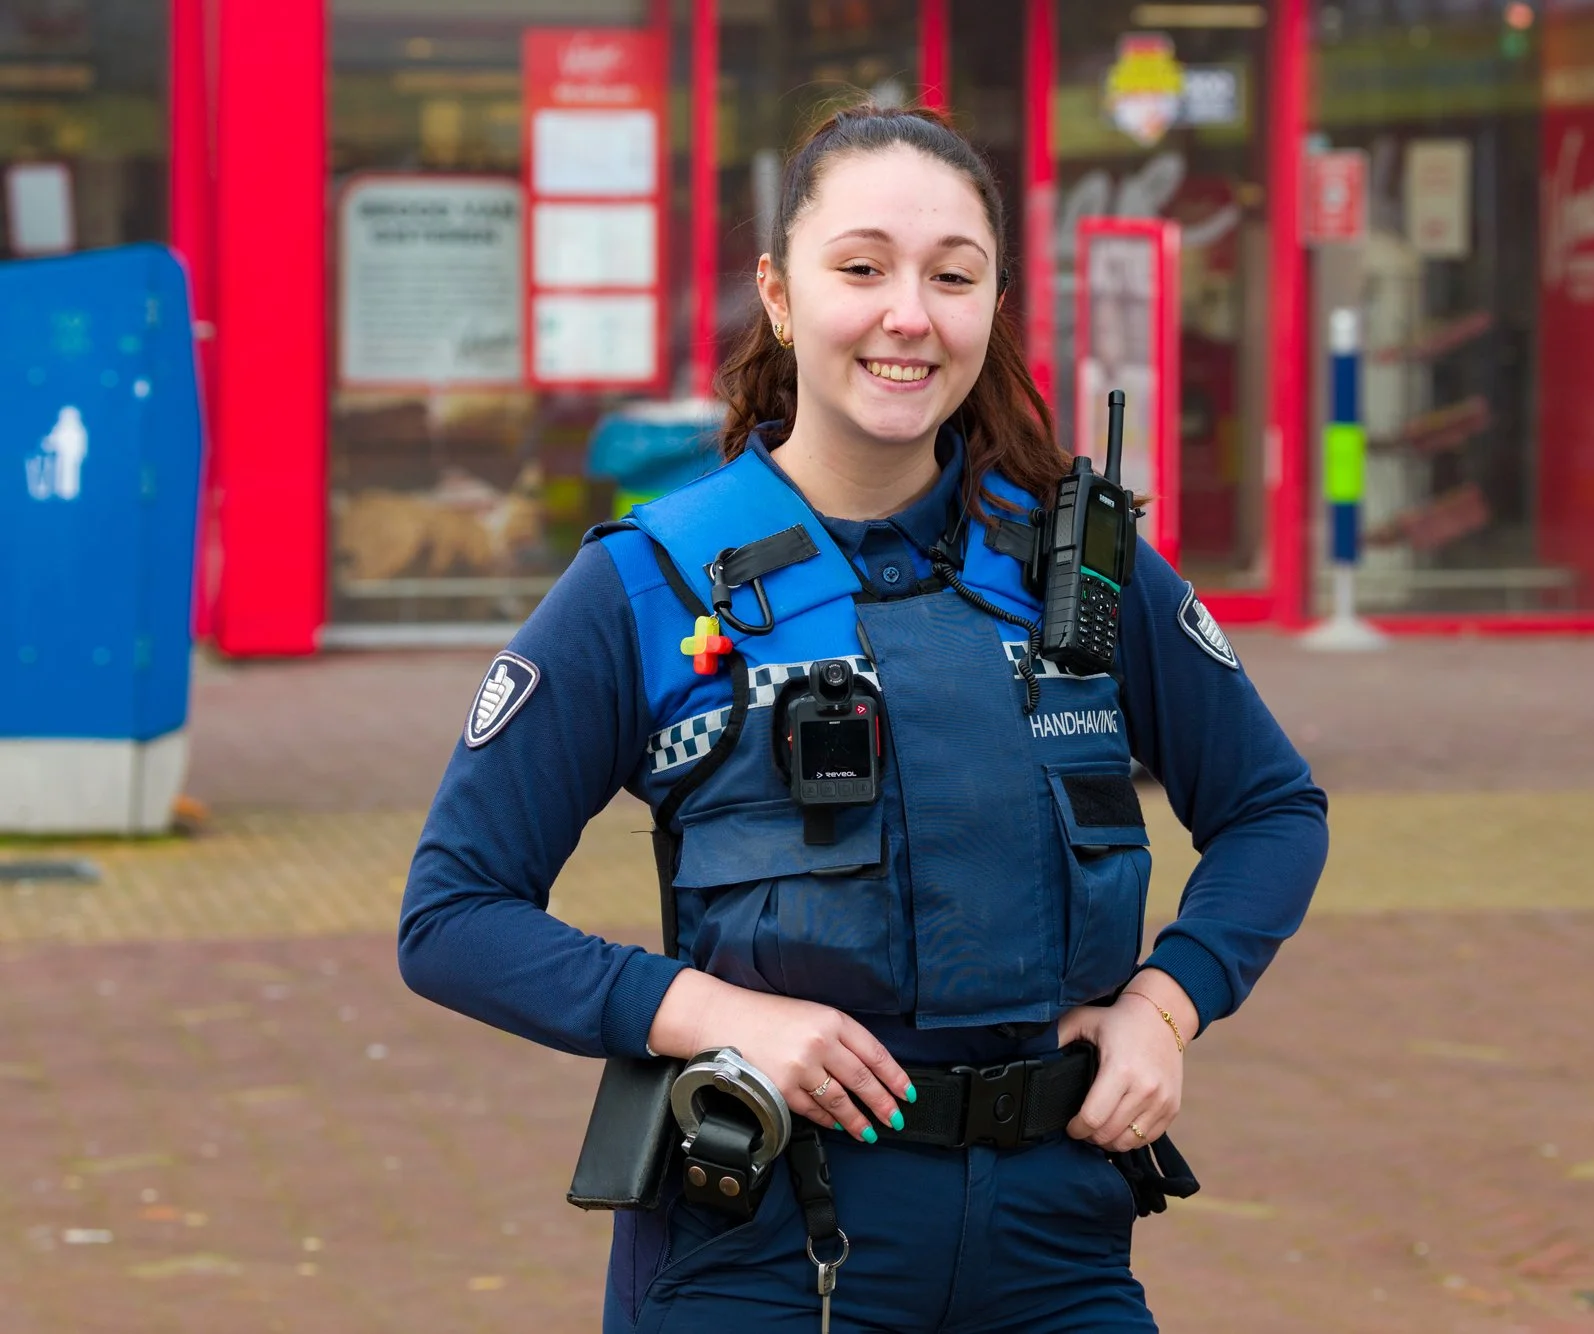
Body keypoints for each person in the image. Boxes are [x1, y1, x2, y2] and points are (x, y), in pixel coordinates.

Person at [399, 102, 1327, 1333]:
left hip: (1056, 1245)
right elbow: (453, 915)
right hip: (769, 1246)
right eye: (862, 267)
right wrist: (714, 1015)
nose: (909, 314)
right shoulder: (649, 580)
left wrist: (1168, 1003)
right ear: (780, 296)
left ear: (994, 304)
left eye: (953, 276)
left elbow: (1273, 808)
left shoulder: (1077, 569)